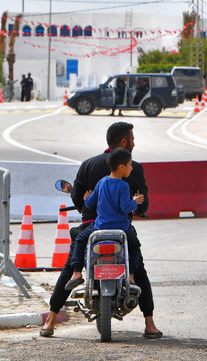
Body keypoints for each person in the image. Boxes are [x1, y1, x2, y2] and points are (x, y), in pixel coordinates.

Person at [40, 122, 162, 339]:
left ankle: (50, 321)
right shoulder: (132, 168)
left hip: (92, 227)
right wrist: (136, 205)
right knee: (138, 268)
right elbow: (142, 206)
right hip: (121, 230)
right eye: (132, 139)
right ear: (124, 142)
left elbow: (80, 200)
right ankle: (149, 324)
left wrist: (88, 205)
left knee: (69, 268)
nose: (134, 143)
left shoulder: (88, 165)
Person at [65, 148, 144, 290]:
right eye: (130, 165)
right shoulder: (124, 185)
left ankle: (76, 273)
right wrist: (136, 201)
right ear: (121, 167)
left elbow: (89, 204)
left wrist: (86, 198)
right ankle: (131, 275)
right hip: (121, 228)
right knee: (134, 246)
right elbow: (125, 207)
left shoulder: (102, 183)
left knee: (81, 239)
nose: (131, 168)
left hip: (100, 226)